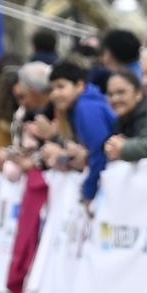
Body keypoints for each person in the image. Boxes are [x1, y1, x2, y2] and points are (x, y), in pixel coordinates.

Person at [42, 58, 117, 205]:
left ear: (80, 86)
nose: (55, 94)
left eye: (61, 87)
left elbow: (99, 151)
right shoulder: (77, 108)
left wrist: (89, 191)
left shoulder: (87, 108)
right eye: (52, 89)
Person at [104, 68, 145, 137]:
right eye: (110, 94)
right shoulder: (121, 121)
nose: (115, 99)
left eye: (121, 92)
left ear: (138, 93)